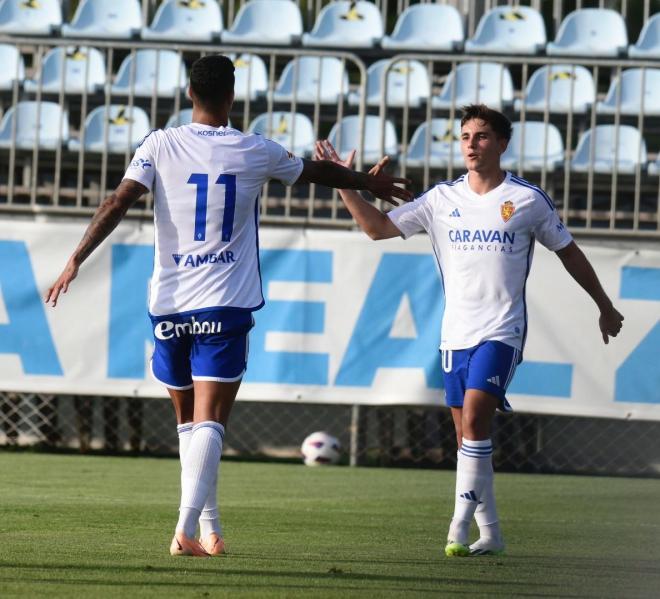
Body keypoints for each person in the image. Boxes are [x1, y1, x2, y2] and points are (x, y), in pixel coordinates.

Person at [45, 54, 411, 558]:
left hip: (168, 305)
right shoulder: (255, 149)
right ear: (233, 97)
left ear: (189, 94)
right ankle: (184, 529)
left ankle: (210, 529)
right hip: (224, 302)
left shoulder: (159, 143)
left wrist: (75, 259)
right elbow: (315, 172)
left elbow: (116, 202)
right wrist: (366, 183)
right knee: (211, 421)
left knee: (189, 428)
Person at [314, 103, 624, 558]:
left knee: (477, 420)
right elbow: (377, 228)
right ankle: (492, 532)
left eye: (480, 136)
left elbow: (569, 252)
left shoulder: (527, 199)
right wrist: (345, 182)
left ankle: (457, 525)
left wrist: (604, 306)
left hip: (502, 331)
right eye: (464, 137)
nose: (471, 145)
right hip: (454, 335)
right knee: (467, 439)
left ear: (502, 143)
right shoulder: (441, 199)